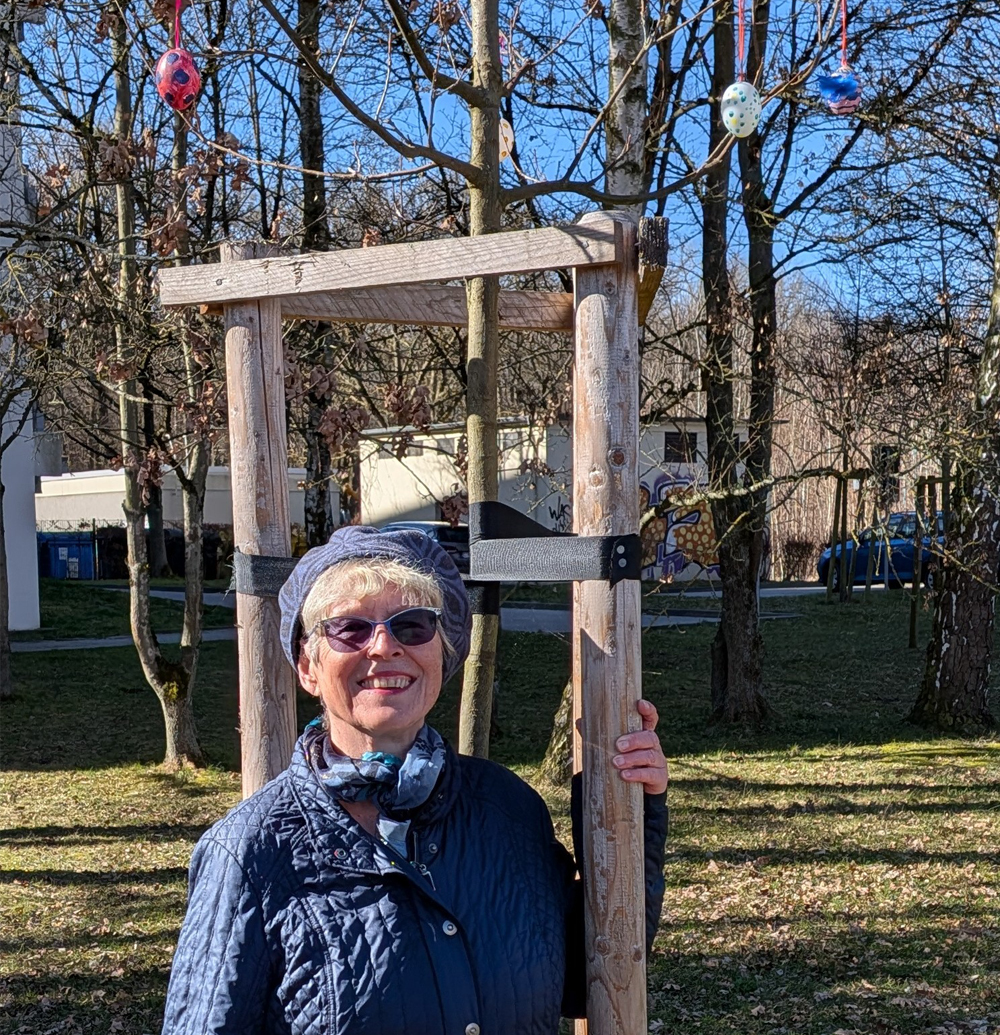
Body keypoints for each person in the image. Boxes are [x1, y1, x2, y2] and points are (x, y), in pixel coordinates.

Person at [162, 525, 669, 1035]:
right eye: (350, 628)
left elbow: (588, 979)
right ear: (307, 666)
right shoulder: (251, 853)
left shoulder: (509, 810)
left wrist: (633, 804)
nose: (383, 646)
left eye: (412, 626)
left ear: (441, 652)